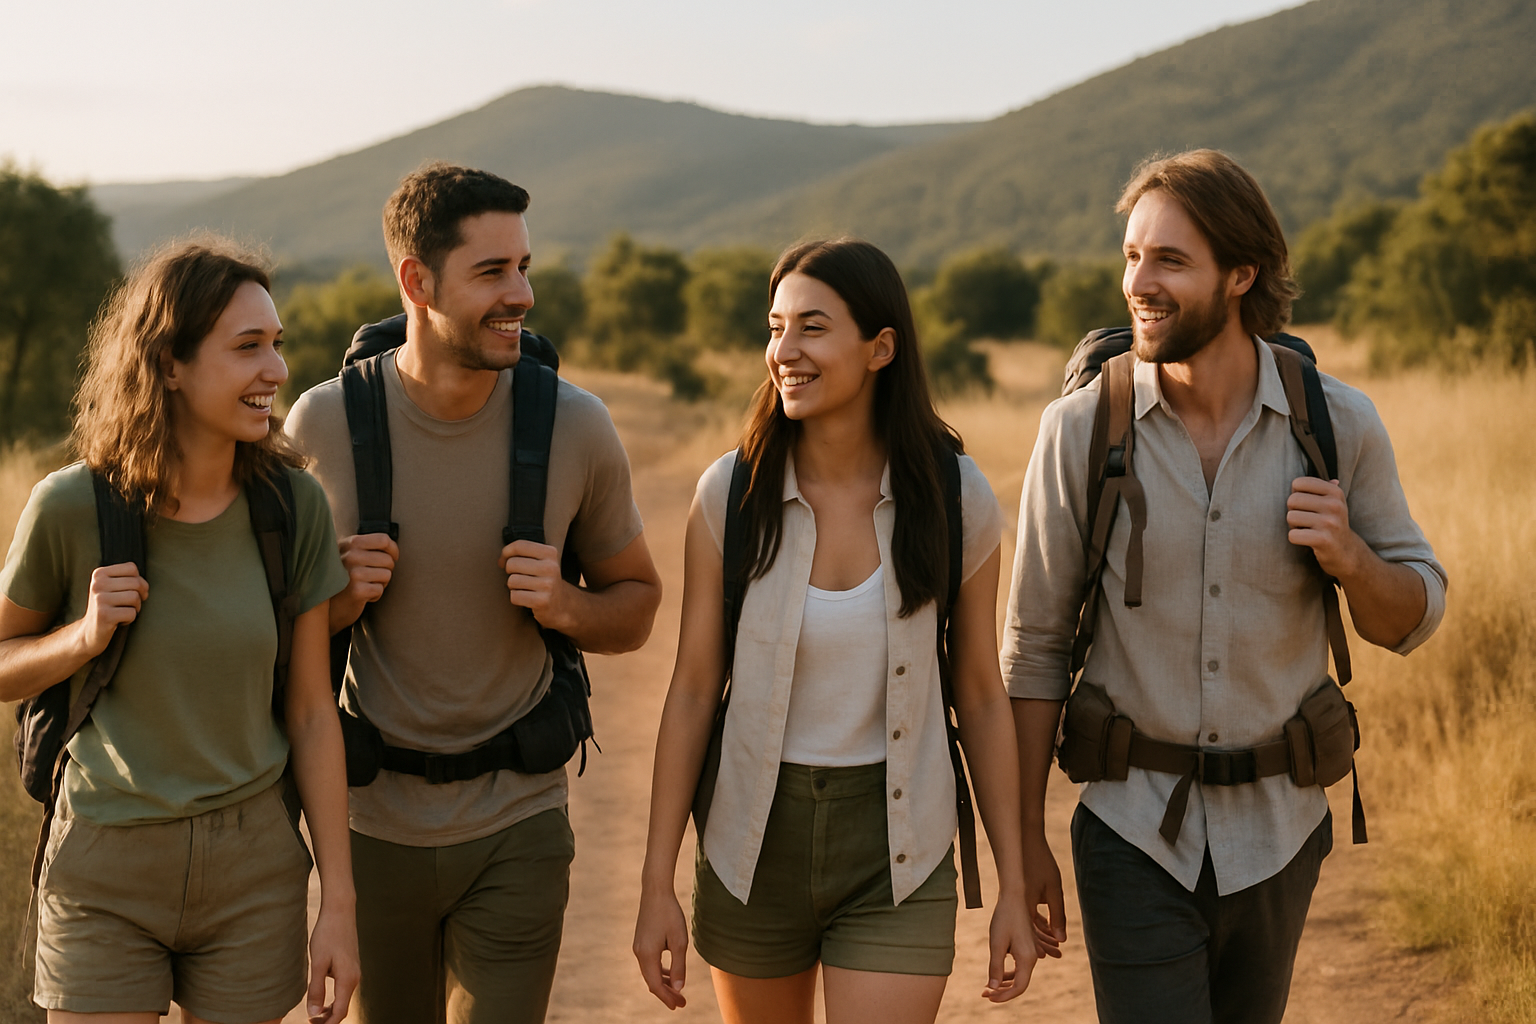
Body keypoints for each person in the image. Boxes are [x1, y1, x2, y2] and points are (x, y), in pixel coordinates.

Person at [1004, 149, 1448, 1024]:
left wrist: (1352, 558)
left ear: (1242, 274)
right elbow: (1036, 648)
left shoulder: (1338, 423)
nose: (1140, 283)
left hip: (1282, 835)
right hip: (1130, 831)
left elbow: (1415, 617)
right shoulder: (1079, 430)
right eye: (1132, 256)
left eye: (1170, 260)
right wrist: (1022, 847)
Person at [285, 163, 663, 1024]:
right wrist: (338, 603)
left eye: (523, 267)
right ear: (416, 282)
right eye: (492, 272)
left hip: (520, 820)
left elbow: (638, 603)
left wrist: (565, 605)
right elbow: (272, 635)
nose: (521, 294)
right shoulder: (320, 426)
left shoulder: (576, 425)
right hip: (370, 826)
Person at [634, 238, 1042, 1024]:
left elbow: (982, 698)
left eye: (812, 328)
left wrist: (1013, 887)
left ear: (881, 348)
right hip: (752, 849)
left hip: (898, 853)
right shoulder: (729, 494)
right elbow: (691, 692)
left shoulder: (957, 497)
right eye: (776, 327)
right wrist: (657, 886)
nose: (784, 351)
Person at [0, 241, 358, 1024]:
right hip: (105, 864)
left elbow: (310, 712)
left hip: (253, 870)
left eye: (277, 344)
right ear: (169, 363)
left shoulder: (293, 507)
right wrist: (81, 638)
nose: (276, 370)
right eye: (247, 347)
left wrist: (339, 902)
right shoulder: (71, 507)